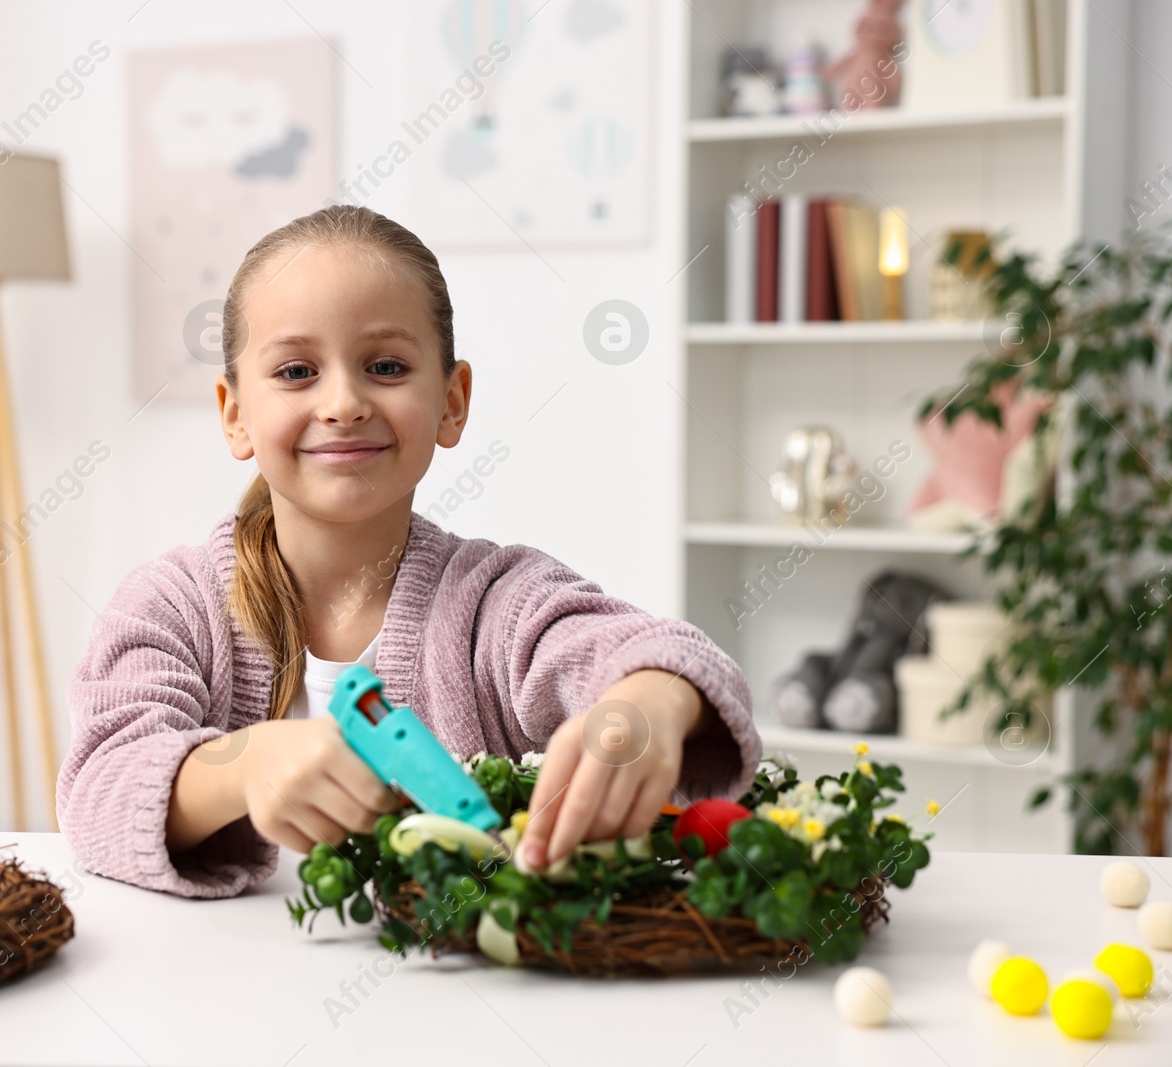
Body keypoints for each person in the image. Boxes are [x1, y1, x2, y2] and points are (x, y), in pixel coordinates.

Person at [56, 205, 759, 899]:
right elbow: (95, 788)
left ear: (451, 401)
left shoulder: (495, 602)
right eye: (298, 371)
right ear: (235, 413)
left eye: (385, 365)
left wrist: (648, 705)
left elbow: (665, 655)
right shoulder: (170, 604)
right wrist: (243, 765)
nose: (343, 402)